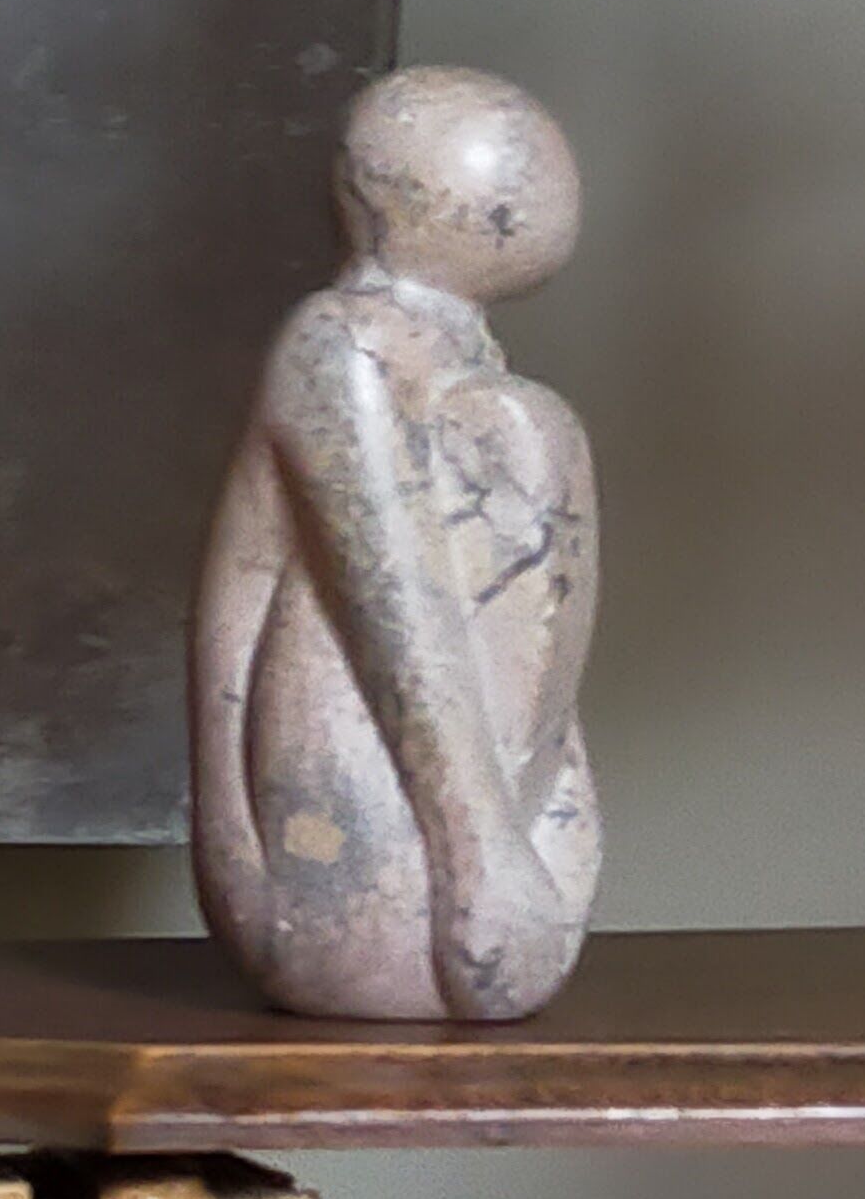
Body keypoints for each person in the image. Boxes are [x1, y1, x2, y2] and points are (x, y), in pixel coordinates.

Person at [194, 66, 598, 1020]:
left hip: (491, 830)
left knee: (524, 427)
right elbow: (392, 597)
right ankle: (463, 876)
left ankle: (486, 871)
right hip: (357, 829)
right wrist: (477, 854)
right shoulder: (342, 343)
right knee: (520, 429)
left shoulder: (465, 366)